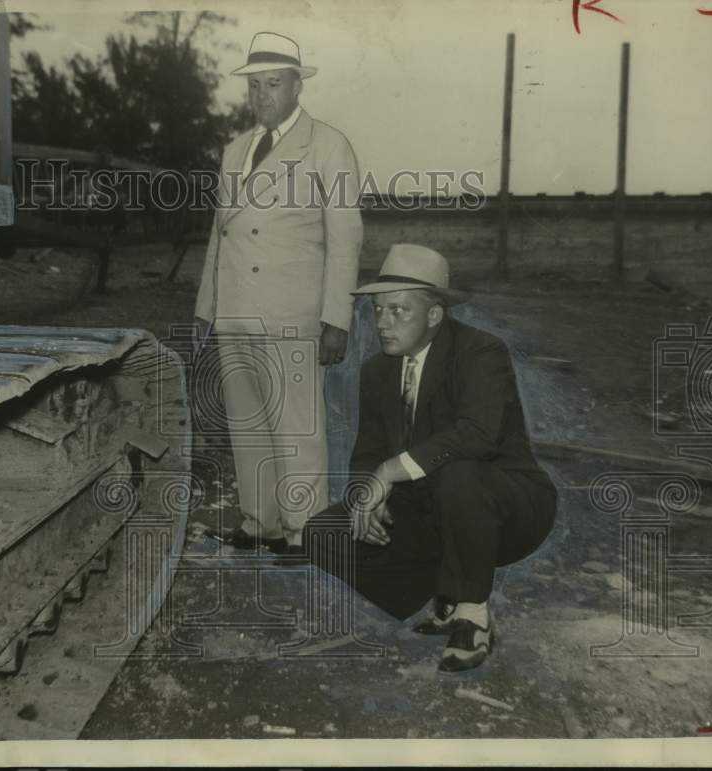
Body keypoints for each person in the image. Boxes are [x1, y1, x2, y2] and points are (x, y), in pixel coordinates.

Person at [299, 244, 557, 672]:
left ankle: (472, 615)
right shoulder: (377, 371)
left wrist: (389, 471)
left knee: (458, 472)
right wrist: (367, 495)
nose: (382, 323)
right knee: (322, 534)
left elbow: (478, 436)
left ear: (435, 314)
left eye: (398, 311)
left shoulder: (480, 352)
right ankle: (446, 592)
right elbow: (367, 454)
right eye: (378, 310)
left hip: (506, 506)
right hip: (431, 510)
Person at [194, 32, 363, 554]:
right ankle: (259, 522)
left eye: (274, 84)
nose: (262, 96)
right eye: (254, 86)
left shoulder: (328, 145)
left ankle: (304, 531)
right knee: (247, 423)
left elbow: (345, 238)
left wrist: (336, 318)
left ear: (296, 86)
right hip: (237, 310)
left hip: (292, 312)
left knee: (296, 427)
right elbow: (219, 235)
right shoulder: (234, 151)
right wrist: (206, 309)